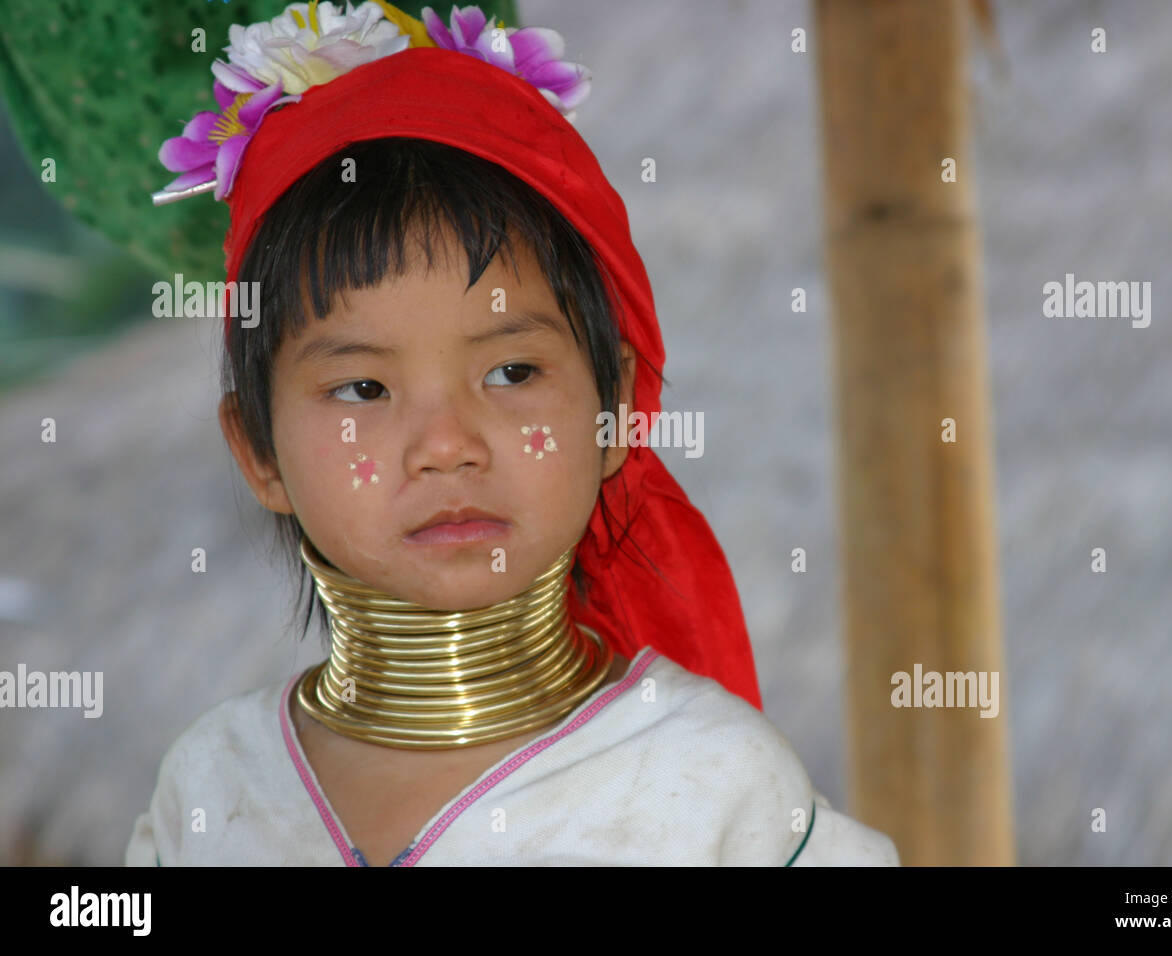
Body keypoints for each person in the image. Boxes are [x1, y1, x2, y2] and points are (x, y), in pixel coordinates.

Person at [124, 1, 899, 867]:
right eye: (362, 387)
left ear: (616, 410)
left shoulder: (718, 789)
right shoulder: (212, 789)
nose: (448, 444)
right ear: (259, 451)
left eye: (512, 374)